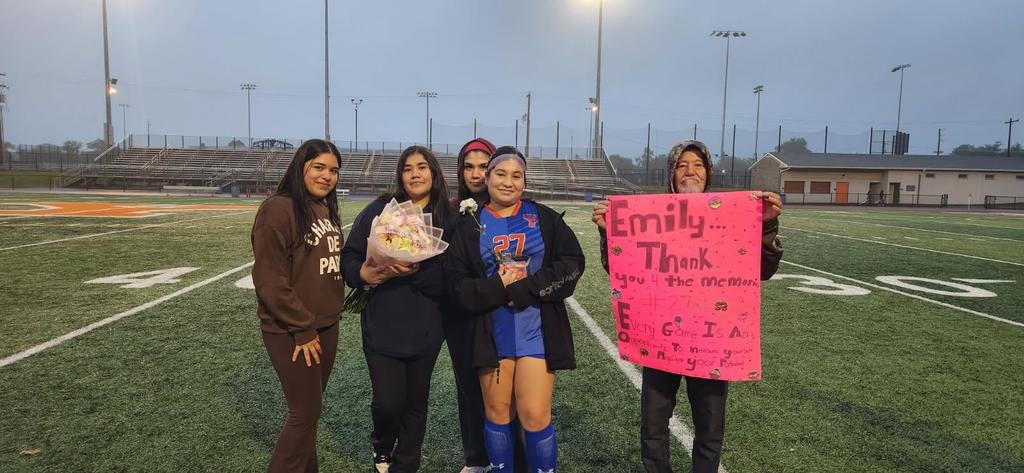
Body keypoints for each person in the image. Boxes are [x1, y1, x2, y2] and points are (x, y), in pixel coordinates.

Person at [591, 139, 783, 473]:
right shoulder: (650, 214)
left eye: (697, 164)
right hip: (660, 337)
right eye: (682, 165)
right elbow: (623, 270)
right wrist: (611, 234)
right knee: (652, 426)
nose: (689, 171)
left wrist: (765, 225)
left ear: (708, 173)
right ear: (671, 174)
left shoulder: (732, 216)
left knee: (709, 428)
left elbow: (763, 270)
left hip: (711, 339)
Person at [445, 148, 585, 472]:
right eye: (501, 174)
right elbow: (456, 285)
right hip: (491, 332)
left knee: (535, 414)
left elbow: (573, 263)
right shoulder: (470, 225)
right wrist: (495, 289)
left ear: (524, 181)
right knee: (497, 413)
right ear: (488, 178)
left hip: (536, 330)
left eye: (516, 176)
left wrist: (528, 288)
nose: (508, 182)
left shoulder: (544, 217)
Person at [341, 145, 452, 473]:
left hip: (428, 324)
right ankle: (382, 445)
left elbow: (455, 274)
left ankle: (407, 464)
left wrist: (420, 271)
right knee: (388, 403)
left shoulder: (448, 216)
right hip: (383, 322)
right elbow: (349, 257)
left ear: (433, 172)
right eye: (407, 168)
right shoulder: (380, 210)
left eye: (422, 167)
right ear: (399, 175)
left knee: (417, 403)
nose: (415, 174)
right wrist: (366, 273)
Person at [251, 138, 345, 473]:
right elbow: (269, 279)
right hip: (292, 330)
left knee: (311, 415)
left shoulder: (323, 208)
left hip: (326, 324)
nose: (327, 176)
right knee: (303, 414)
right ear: (300, 167)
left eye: (333, 170)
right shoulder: (279, 208)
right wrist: (303, 328)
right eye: (319, 167)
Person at [448, 137, 497, 473]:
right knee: (467, 385)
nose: (476, 174)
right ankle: (476, 458)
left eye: (483, 166)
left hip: (500, 311)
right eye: (469, 166)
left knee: (503, 387)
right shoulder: (450, 210)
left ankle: (509, 456)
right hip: (461, 313)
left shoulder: (511, 207)